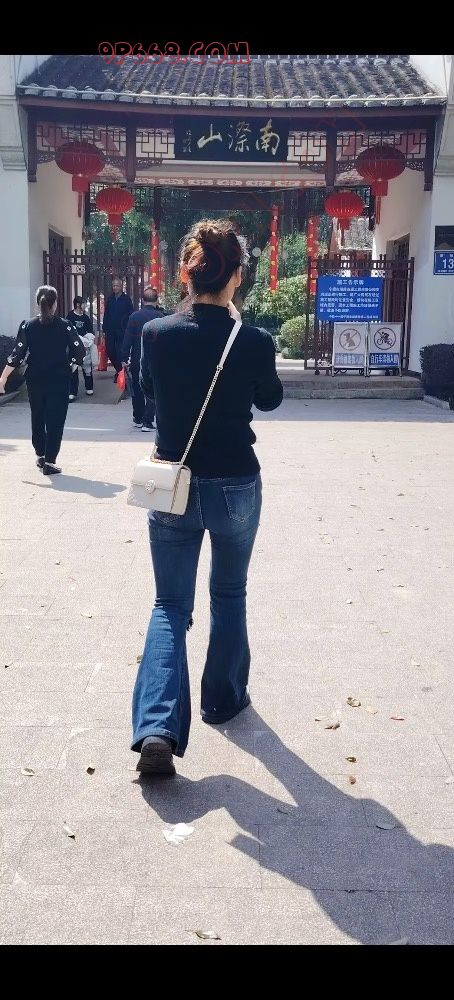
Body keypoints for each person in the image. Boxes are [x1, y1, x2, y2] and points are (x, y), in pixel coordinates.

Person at [131, 219, 283, 776]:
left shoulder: (157, 333)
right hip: (236, 483)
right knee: (229, 591)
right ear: (236, 276)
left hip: (173, 482)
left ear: (186, 274)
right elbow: (270, 400)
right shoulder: (253, 340)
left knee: (170, 605)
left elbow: (148, 393)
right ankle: (222, 698)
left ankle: (156, 726)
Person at [0, 285, 86, 475]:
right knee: (56, 419)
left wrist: (3, 377)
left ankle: (40, 454)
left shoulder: (27, 325)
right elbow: (79, 350)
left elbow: (17, 355)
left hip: (35, 379)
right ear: (55, 304)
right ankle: (50, 461)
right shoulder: (65, 325)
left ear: (37, 303)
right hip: (59, 378)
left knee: (37, 415)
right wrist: (71, 366)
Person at [121, 286, 161, 431]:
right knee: (152, 388)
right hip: (155, 359)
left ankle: (138, 417)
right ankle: (148, 421)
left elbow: (127, 339)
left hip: (137, 358)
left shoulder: (134, 317)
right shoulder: (160, 318)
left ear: (143, 301)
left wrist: (124, 357)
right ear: (156, 300)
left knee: (137, 388)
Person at [102, 276, 133, 381]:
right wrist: (104, 329)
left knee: (120, 352)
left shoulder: (126, 300)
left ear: (121, 286)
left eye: (117, 286)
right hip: (110, 330)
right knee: (110, 351)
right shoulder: (110, 299)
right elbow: (106, 315)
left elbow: (130, 315)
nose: (115, 288)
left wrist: (128, 328)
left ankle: (120, 373)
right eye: (113, 286)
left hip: (122, 330)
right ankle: (119, 370)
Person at [67, 296, 97, 401]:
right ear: (78, 304)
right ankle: (72, 392)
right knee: (73, 368)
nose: (85, 306)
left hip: (85, 346)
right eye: (83, 303)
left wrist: (88, 339)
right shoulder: (70, 316)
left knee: (87, 367)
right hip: (73, 347)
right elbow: (68, 331)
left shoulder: (86, 318)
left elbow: (90, 331)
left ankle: (89, 387)